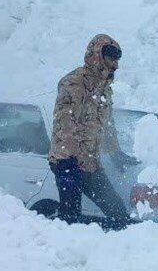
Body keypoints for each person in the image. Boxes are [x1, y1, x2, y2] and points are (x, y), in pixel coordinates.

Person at [48, 34, 138, 228]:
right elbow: (65, 123)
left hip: (90, 163)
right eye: (111, 58)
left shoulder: (104, 88)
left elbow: (107, 124)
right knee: (70, 218)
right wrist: (69, 161)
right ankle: (63, 252)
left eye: (117, 60)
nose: (115, 64)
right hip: (67, 162)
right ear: (98, 55)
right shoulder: (75, 83)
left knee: (118, 215)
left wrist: (115, 152)